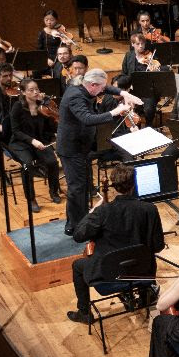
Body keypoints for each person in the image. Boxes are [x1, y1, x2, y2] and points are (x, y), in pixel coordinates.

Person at [67, 165, 164, 324]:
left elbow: (78, 235)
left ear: (113, 187)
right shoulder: (150, 209)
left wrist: (91, 213)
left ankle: (84, 313)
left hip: (109, 276)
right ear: (134, 185)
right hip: (142, 273)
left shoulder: (103, 212)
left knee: (77, 265)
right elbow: (158, 246)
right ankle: (145, 293)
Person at [58, 68, 143, 235]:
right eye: (101, 88)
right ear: (92, 85)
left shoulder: (83, 84)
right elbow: (87, 119)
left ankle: (77, 222)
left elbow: (106, 88)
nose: (104, 92)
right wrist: (116, 111)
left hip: (82, 145)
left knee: (81, 186)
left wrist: (124, 93)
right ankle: (76, 227)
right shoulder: (75, 96)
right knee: (77, 188)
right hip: (71, 148)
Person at [8, 78, 62, 211]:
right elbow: (15, 131)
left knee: (52, 163)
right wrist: (32, 141)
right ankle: (31, 199)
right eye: (31, 90)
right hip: (22, 143)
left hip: (40, 141)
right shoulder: (18, 107)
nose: (36, 92)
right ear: (24, 93)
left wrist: (51, 113)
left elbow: (49, 127)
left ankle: (54, 191)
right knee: (27, 165)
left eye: (37, 89)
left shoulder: (42, 106)